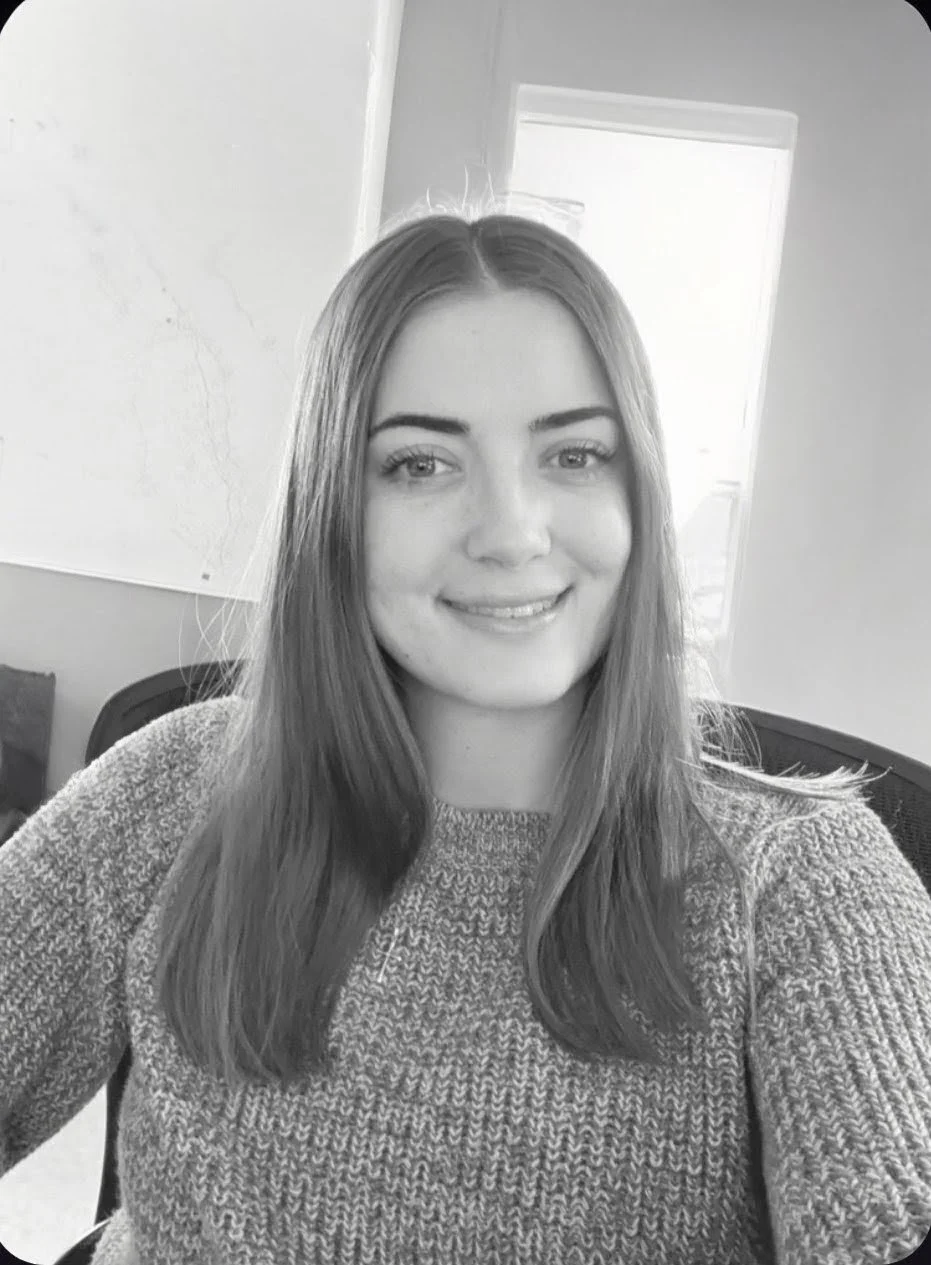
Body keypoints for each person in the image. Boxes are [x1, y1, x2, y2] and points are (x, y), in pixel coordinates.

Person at [2, 203, 929, 1265]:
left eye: (573, 454)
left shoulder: (802, 883)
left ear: (638, 496)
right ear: (333, 511)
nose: (510, 533)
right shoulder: (175, 786)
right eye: (419, 464)